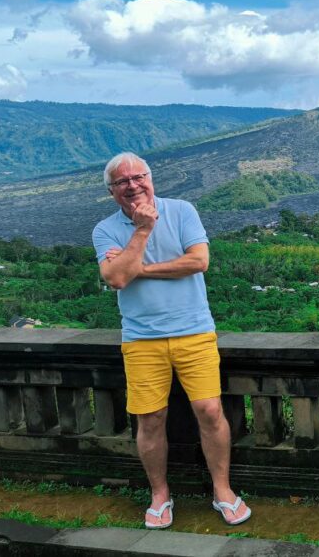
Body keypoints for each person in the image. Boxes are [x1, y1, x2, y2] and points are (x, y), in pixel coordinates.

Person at [92, 151, 251, 529]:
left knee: (210, 412)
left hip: (194, 331)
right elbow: (115, 279)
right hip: (141, 337)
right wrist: (143, 230)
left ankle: (223, 490)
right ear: (112, 191)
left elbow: (198, 262)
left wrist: (137, 268)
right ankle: (160, 495)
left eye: (138, 177)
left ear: (151, 178)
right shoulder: (105, 229)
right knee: (150, 418)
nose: (132, 185)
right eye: (122, 182)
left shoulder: (182, 210)